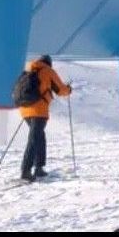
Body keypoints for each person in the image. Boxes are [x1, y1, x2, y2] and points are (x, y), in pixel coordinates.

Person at [15, 54, 71, 182]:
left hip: (24, 109)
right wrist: (69, 89)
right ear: (49, 63)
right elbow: (61, 90)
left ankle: (39, 167)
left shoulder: (29, 70)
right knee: (34, 139)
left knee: (39, 137)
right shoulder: (48, 71)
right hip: (39, 110)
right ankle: (26, 170)